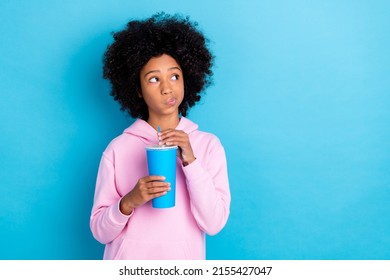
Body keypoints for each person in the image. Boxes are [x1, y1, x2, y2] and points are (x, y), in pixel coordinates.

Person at [90, 12, 230, 260]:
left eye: (174, 76)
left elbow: (214, 223)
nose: (168, 87)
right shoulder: (118, 149)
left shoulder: (208, 146)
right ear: (138, 90)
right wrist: (130, 201)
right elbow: (100, 232)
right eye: (154, 79)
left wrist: (191, 162)